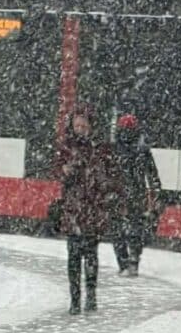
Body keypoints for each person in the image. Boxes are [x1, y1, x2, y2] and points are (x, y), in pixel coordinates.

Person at [51, 106, 116, 314]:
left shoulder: (100, 149)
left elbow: (108, 176)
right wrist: (66, 170)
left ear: (90, 126)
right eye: (76, 125)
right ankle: (75, 299)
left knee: (90, 254)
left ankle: (91, 295)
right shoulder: (66, 148)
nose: (80, 129)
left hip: (93, 209)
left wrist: (103, 191)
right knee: (73, 256)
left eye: (83, 125)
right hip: (73, 210)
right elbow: (57, 171)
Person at [110, 112, 162, 277]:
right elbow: (152, 175)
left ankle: (124, 262)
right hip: (134, 192)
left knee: (118, 229)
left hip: (119, 193)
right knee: (134, 228)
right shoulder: (142, 150)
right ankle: (132, 261)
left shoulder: (114, 149)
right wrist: (155, 191)